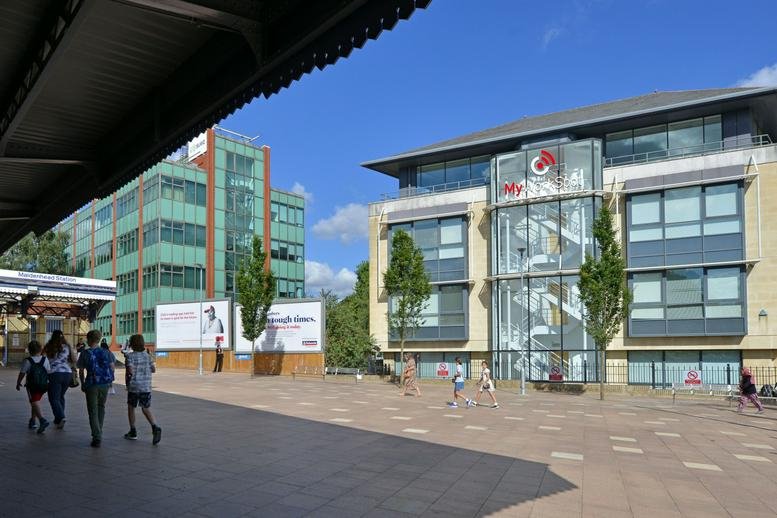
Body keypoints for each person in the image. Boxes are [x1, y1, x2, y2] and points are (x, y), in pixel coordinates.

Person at [77, 330, 115, 447]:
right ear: (98, 339)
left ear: (88, 340)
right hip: (104, 384)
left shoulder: (85, 353)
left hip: (91, 384)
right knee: (101, 407)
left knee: (92, 411)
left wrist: (83, 383)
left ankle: (97, 436)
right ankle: (99, 431)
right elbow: (112, 368)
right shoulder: (107, 352)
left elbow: (81, 370)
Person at [123, 334, 162, 445]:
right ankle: (155, 427)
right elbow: (153, 369)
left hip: (134, 386)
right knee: (145, 408)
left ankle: (133, 431)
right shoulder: (147, 356)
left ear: (132, 344)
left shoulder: (129, 356)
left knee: (131, 408)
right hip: (146, 387)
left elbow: (130, 371)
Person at [16, 340, 51, 433]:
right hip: (44, 385)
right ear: (40, 349)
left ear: (29, 350)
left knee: (34, 402)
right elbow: (48, 371)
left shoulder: (28, 361)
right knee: (35, 402)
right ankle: (32, 421)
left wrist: (18, 382)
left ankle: (42, 420)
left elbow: (22, 373)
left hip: (32, 386)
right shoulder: (45, 359)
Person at [44, 330, 77, 429]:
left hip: (54, 374)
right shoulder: (67, 347)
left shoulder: (49, 346)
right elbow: (74, 360)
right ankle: (58, 419)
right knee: (60, 396)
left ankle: (61, 417)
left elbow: (43, 358)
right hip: (67, 374)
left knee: (53, 399)